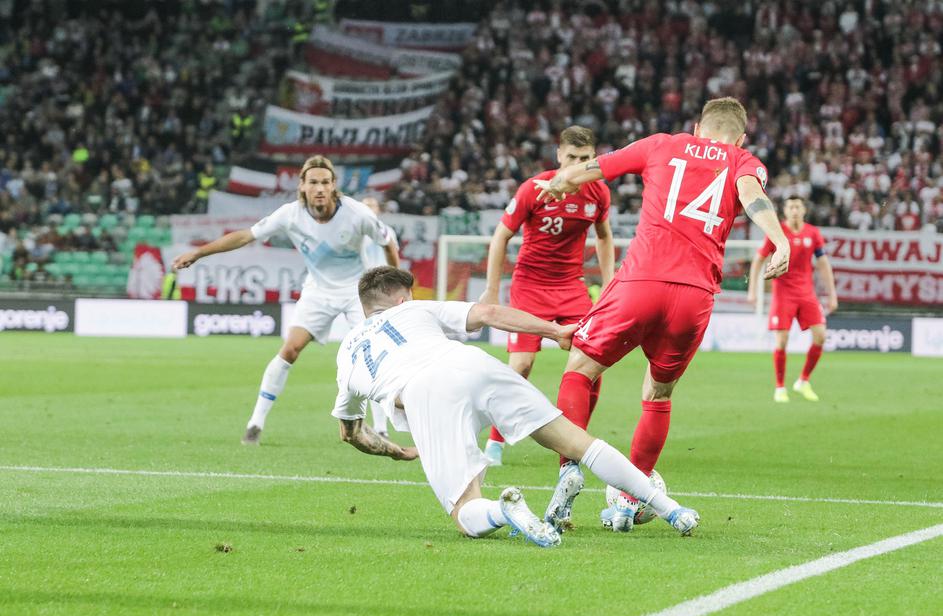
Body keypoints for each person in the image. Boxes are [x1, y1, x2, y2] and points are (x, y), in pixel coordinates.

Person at [534, 97, 791, 532]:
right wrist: (780, 240)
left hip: (641, 281)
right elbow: (753, 197)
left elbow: (596, 167)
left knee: (580, 369)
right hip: (694, 295)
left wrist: (563, 179)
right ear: (740, 138)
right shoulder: (743, 161)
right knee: (657, 395)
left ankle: (569, 468)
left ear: (698, 127)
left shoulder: (662, 144)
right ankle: (628, 502)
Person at [331, 267, 700, 547]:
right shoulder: (414, 310)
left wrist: (398, 452)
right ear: (402, 300)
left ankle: (503, 509)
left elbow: (351, 432)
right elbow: (489, 313)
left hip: (424, 391)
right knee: (577, 442)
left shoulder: (346, 355)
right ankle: (672, 509)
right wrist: (555, 331)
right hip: (472, 362)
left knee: (464, 511)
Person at [172, 155, 399, 445]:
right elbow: (245, 236)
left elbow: (388, 243)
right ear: (302, 186)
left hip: (356, 292)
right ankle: (255, 424)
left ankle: (380, 429)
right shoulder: (290, 214)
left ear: (334, 186)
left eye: (325, 182)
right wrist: (199, 252)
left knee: (371, 354)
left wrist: (395, 286)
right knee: (290, 349)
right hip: (317, 291)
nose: (319, 188)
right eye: (313, 182)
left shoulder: (357, 213)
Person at [479, 125, 615, 467]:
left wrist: (609, 283)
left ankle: (575, 441)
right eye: (572, 157)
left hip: (571, 285)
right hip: (530, 285)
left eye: (586, 158)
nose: (578, 165)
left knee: (592, 361)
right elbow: (500, 237)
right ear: (559, 156)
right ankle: (495, 441)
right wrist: (492, 291)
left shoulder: (598, 192)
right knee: (521, 365)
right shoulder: (534, 188)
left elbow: (603, 236)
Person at [747, 196, 838, 402]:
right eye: (791, 207)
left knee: (821, 336)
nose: (794, 210)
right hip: (783, 293)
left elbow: (823, 263)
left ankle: (803, 381)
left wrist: (832, 294)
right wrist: (752, 290)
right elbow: (758, 260)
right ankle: (780, 388)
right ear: (785, 211)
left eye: (798, 206)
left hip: (806, 293)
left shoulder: (813, 233)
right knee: (782, 340)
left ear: (804, 210)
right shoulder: (777, 232)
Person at [360, 195, 398, 436]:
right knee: (370, 358)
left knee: (380, 358)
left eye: (372, 206)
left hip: (384, 296)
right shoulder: (358, 232)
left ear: (378, 210)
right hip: (363, 298)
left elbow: (394, 261)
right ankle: (380, 427)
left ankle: (382, 425)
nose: (368, 210)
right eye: (364, 207)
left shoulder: (387, 232)